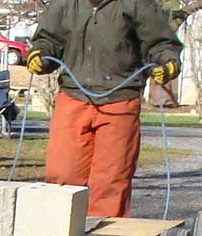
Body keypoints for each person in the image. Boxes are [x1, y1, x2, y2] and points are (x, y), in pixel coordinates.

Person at [27, 0, 183, 218]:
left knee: (110, 180)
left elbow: (161, 43)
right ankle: (59, 234)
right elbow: (48, 39)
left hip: (120, 99)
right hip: (74, 96)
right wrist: (40, 55)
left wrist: (168, 62)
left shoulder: (136, 4)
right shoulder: (64, 3)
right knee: (62, 174)